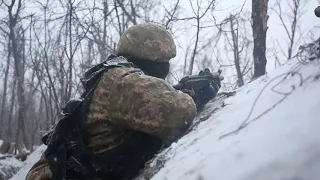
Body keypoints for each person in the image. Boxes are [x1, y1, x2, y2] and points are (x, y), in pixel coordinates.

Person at [26, 23, 221, 180]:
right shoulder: (122, 80)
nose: (166, 68)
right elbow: (180, 113)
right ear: (152, 59)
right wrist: (196, 96)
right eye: (164, 62)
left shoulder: (113, 76)